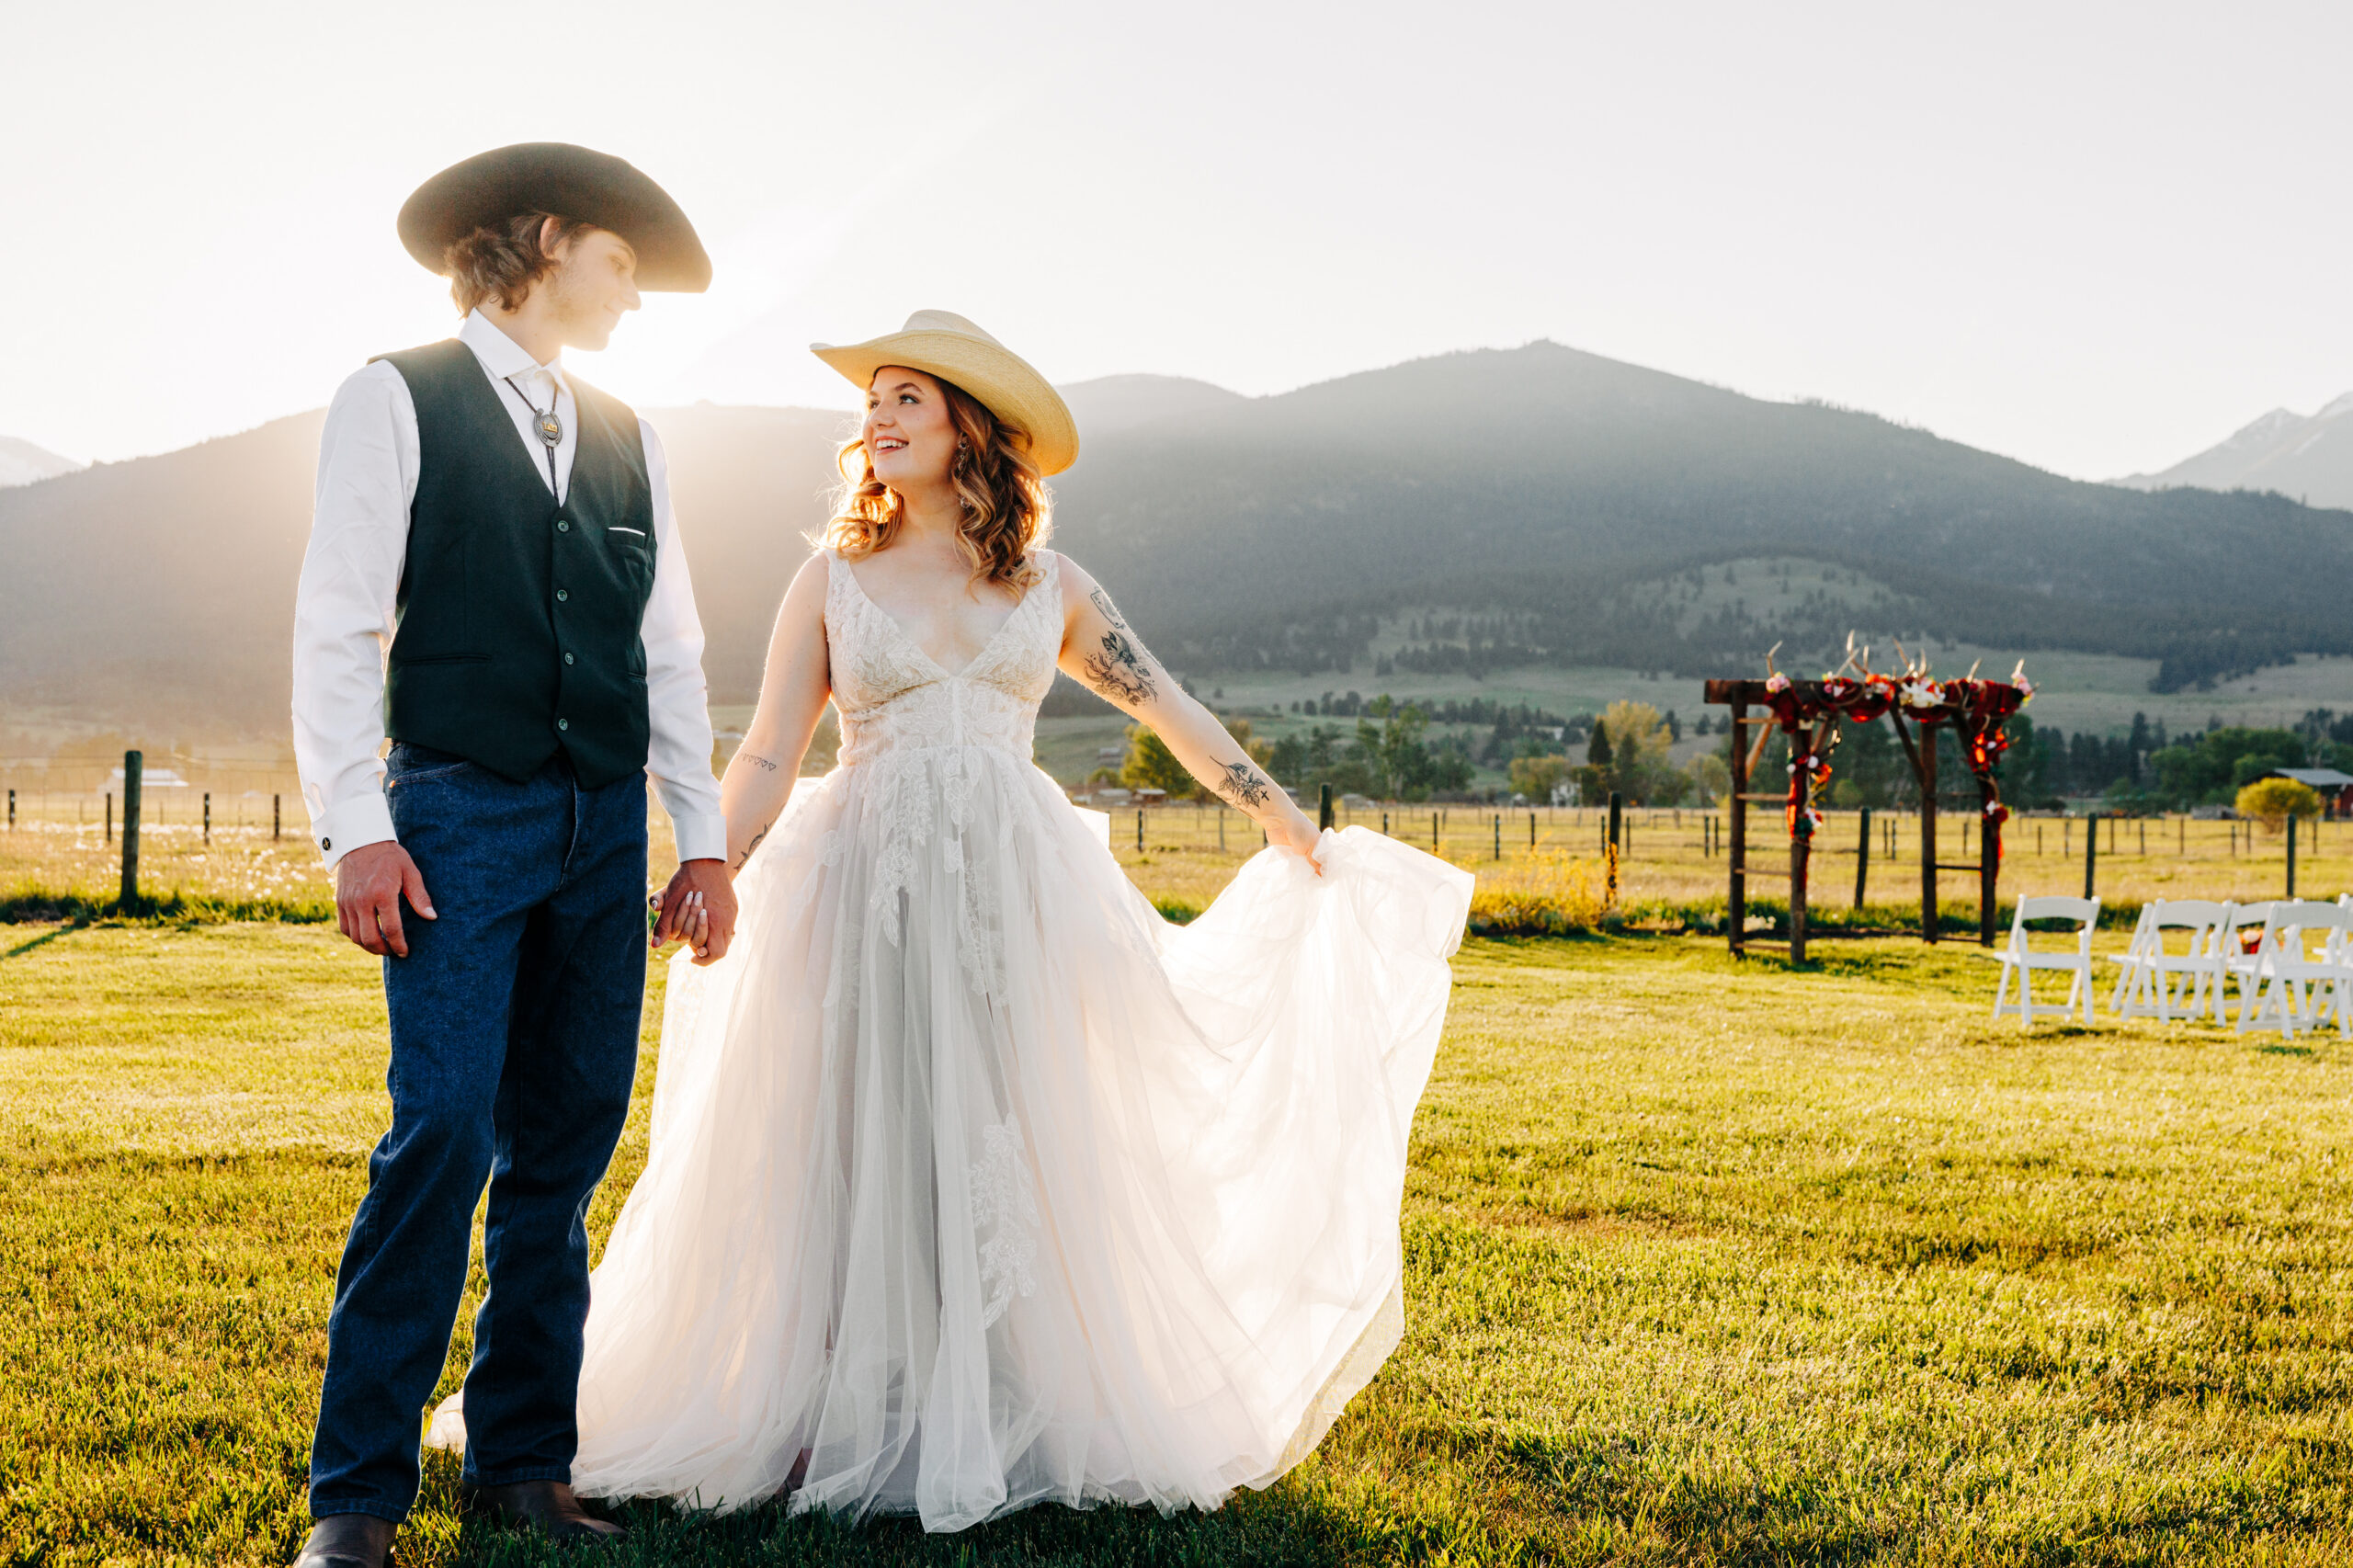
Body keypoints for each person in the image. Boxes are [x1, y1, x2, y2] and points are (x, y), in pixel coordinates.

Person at [425, 310, 1478, 1530]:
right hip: (862, 883)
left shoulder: (1051, 586)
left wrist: (1289, 822)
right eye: (872, 402)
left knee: (1006, 1132)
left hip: (1013, 899)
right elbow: (770, 748)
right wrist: (706, 860)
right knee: (854, 1133)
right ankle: (830, 1399)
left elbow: (1171, 708)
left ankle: (993, 1396)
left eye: (906, 399)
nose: (877, 419)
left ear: (970, 426)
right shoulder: (826, 580)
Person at [288, 143, 733, 1568]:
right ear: (545, 240)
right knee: (443, 1132)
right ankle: (355, 1498)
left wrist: (701, 838)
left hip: (604, 829)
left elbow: (669, 650)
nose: (635, 298)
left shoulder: (632, 434)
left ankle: (524, 1461)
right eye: (621, 263)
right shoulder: (394, 397)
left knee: (564, 1149)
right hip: (454, 819)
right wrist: (360, 825)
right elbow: (338, 622)